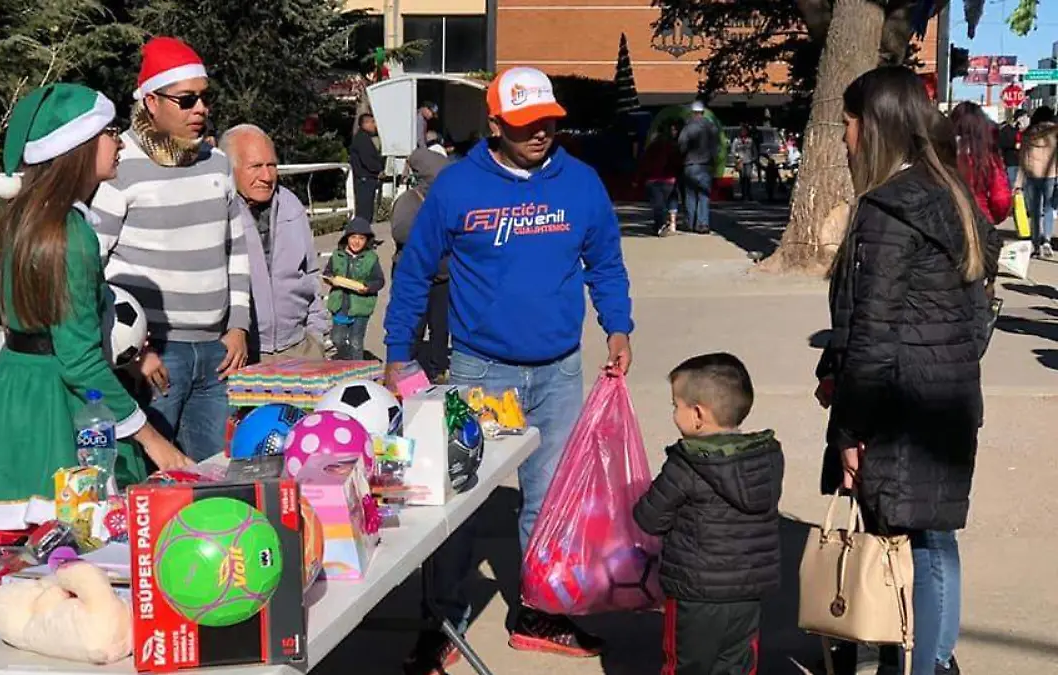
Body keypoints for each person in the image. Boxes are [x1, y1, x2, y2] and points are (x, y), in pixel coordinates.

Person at [387, 66, 633, 671]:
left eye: (547, 122)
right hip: (479, 370)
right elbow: (415, 271)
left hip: (559, 372)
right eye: (525, 125)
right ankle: (442, 621)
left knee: (549, 500)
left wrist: (618, 325)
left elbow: (605, 261)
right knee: (458, 502)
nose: (540, 134)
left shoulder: (581, 183)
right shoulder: (456, 188)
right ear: (494, 124)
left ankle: (539, 611)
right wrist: (396, 353)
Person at [816, 66, 1000, 675]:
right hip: (944, 395)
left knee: (909, 540)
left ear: (873, 127)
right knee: (934, 539)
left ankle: (919, 662)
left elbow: (873, 331)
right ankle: (932, 659)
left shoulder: (888, 208)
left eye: (846, 123)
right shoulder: (951, 194)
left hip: (897, 403)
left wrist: (849, 430)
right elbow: (975, 319)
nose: (843, 137)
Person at [0, 83, 192, 531]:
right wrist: (153, 440)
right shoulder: (70, 235)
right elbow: (77, 359)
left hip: (13, 391)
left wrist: (129, 360)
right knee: (69, 546)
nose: (120, 140)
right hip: (53, 409)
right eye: (109, 131)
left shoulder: (31, 216)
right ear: (76, 146)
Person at [91, 37, 250, 462]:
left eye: (204, 97)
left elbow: (236, 249)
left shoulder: (216, 164)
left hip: (217, 353)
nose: (201, 109)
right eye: (186, 99)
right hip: (155, 356)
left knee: (215, 472)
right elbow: (92, 265)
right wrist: (133, 351)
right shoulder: (120, 165)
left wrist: (238, 325)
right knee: (152, 477)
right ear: (150, 102)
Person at [634, 353, 783, 675]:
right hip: (746, 593)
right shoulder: (766, 458)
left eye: (676, 405)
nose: (674, 413)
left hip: (694, 595)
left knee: (686, 665)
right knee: (738, 664)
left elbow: (649, 517)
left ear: (698, 414)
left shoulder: (686, 463)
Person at [219, 124, 332, 362]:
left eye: (272, 165)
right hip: (242, 353)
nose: (267, 176)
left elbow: (311, 273)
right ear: (230, 168)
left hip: (300, 349)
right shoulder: (217, 211)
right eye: (256, 167)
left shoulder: (291, 205)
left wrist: (316, 335)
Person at [391, 147, 452, 381]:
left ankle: (438, 369)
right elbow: (400, 232)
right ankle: (408, 371)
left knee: (440, 326)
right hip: (414, 273)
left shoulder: (447, 201)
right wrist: (434, 233)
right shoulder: (409, 201)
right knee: (413, 326)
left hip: (443, 276)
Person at [324, 218, 384, 361]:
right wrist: (330, 279)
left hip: (361, 307)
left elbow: (379, 281)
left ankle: (357, 370)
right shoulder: (337, 255)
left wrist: (368, 288)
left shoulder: (371, 258)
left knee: (356, 342)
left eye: (361, 238)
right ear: (347, 238)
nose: (356, 241)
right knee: (337, 338)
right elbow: (328, 272)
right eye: (353, 237)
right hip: (340, 305)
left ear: (367, 240)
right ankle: (347, 358)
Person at [950, 102, 1012, 225]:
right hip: (980, 220)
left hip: (945, 221)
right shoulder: (987, 156)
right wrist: (992, 218)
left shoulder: (941, 153)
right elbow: (1001, 199)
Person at [1016, 106, 1058, 258]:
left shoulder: (1029, 133)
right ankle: (1046, 240)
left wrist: (1018, 182)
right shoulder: (1055, 132)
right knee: (1048, 208)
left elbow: (1022, 158)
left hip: (1032, 174)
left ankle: (1036, 243)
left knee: (1035, 211)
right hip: (1050, 174)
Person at [679, 101, 719, 234]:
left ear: (692, 112)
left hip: (690, 165)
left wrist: (683, 155)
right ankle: (703, 224)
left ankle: (690, 223)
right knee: (704, 195)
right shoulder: (710, 126)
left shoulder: (688, 126)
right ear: (702, 112)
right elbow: (715, 146)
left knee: (690, 195)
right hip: (705, 165)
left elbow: (681, 144)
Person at [638, 121, 682, 235]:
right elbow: (677, 161)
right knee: (667, 201)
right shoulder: (672, 146)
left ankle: (659, 224)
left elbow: (644, 163)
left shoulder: (652, 147)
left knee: (658, 204)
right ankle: (664, 224)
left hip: (653, 179)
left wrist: (639, 178)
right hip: (669, 179)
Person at [350, 113, 383, 223]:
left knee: (367, 211)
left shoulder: (364, 138)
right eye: (372, 122)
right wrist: (378, 169)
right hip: (365, 180)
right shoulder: (362, 139)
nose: (375, 125)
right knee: (364, 212)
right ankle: (362, 236)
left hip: (367, 179)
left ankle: (365, 235)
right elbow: (367, 160)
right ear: (365, 123)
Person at [998, 109, 1026, 187]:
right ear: (1018, 118)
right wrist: (1014, 145)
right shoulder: (1005, 130)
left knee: (1021, 187)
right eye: (1023, 118)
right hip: (1011, 162)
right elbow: (1001, 143)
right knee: (1013, 185)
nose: (1025, 120)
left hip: (1022, 162)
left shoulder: (1021, 130)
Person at [730, 123, 756, 201]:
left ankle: (749, 194)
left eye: (745, 131)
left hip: (748, 161)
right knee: (742, 178)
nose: (744, 132)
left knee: (748, 178)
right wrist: (737, 156)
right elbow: (733, 150)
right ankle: (743, 194)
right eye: (742, 131)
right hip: (740, 161)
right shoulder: (736, 140)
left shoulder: (750, 140)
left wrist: (754, 158)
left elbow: (754, 150)